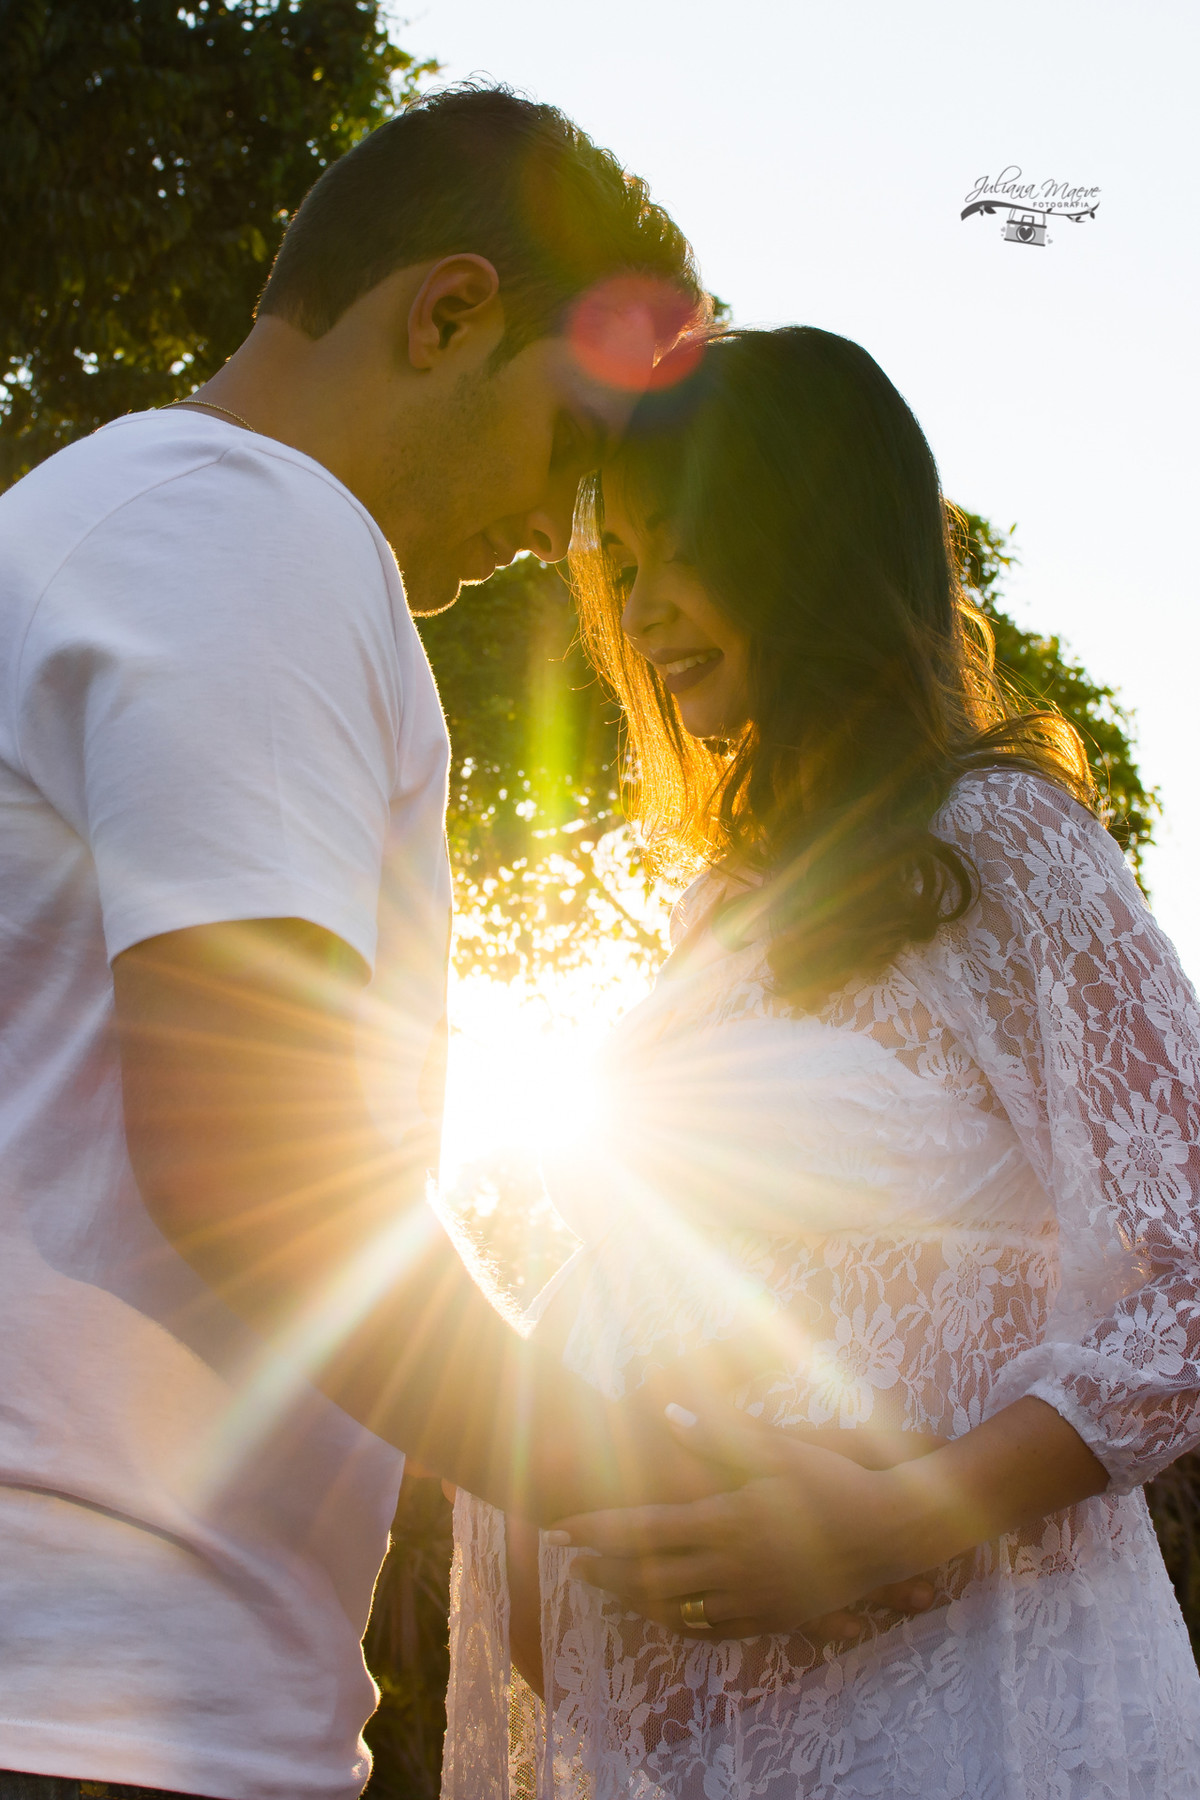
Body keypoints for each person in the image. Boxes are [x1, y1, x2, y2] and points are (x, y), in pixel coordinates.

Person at [0, 84, 755, 1800]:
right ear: (449, 313)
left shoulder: (104, 520)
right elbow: (258, 1169)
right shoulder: (252, 529)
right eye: (568, 453)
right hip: (93, 1711)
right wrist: (624, 1470)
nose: (554, 544)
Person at [442, 326, 1200, 1798]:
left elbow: (1189, 1273)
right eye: (627, 574)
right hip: (705, 1742)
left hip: (945, 1714)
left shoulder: (1003, 846)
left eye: (678, 556)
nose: (643, 614)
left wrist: (893, 1518)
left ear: (808, 539)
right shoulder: (719, 913)